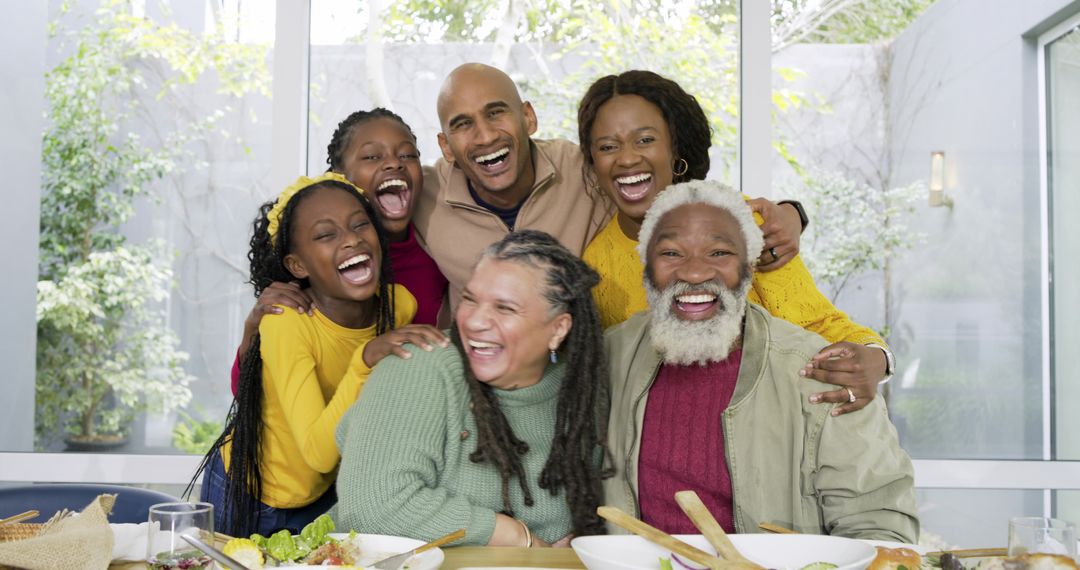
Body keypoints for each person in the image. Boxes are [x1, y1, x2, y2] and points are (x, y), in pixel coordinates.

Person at [603, 179, 919, 542]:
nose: (693, 273)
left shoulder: (820, 373)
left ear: (749, 268)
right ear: (646, 269)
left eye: (718, 253)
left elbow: (880, 528)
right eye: (671, 253)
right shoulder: (607, 358)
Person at [577, 70, 894, 413]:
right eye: (608, 146)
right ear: (594, 163)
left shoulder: (745, 226)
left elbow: (816, 323)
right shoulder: (596, 265)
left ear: (675, 149)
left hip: (763, 432)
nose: (626, 158)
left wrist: (879, 359)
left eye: (645, 140)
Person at [413, 63, 807, 308]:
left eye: (495, 113)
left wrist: (790, 213)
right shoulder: (422, 194)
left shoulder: (585, 168)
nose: (484, 137)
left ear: (529, 118)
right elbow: (355, 210)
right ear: (445, 146)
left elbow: (681, 199)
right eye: (462, 124)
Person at [196, 173, 444, 537]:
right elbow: (318, 452)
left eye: (361, 224)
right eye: (327, 235)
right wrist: (363, 361)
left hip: (325, 497)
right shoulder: (288, 324)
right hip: (250, 493)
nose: (352, 239)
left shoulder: (399, 305)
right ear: (298, 266)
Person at [334, 230, 609, 547]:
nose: (475, 321)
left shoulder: (581, 388)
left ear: (558, 329)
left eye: (504, 308)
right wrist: (516, 536)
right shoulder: (417, 367)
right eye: (469, 299)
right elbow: (372, 508)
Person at [230, 109, 450, 395]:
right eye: (372, 157)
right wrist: (253, 328)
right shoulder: (317, 263)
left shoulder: (437, 251)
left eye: (408, 155)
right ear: (339, 178)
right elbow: (247, 394)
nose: (394, 163)